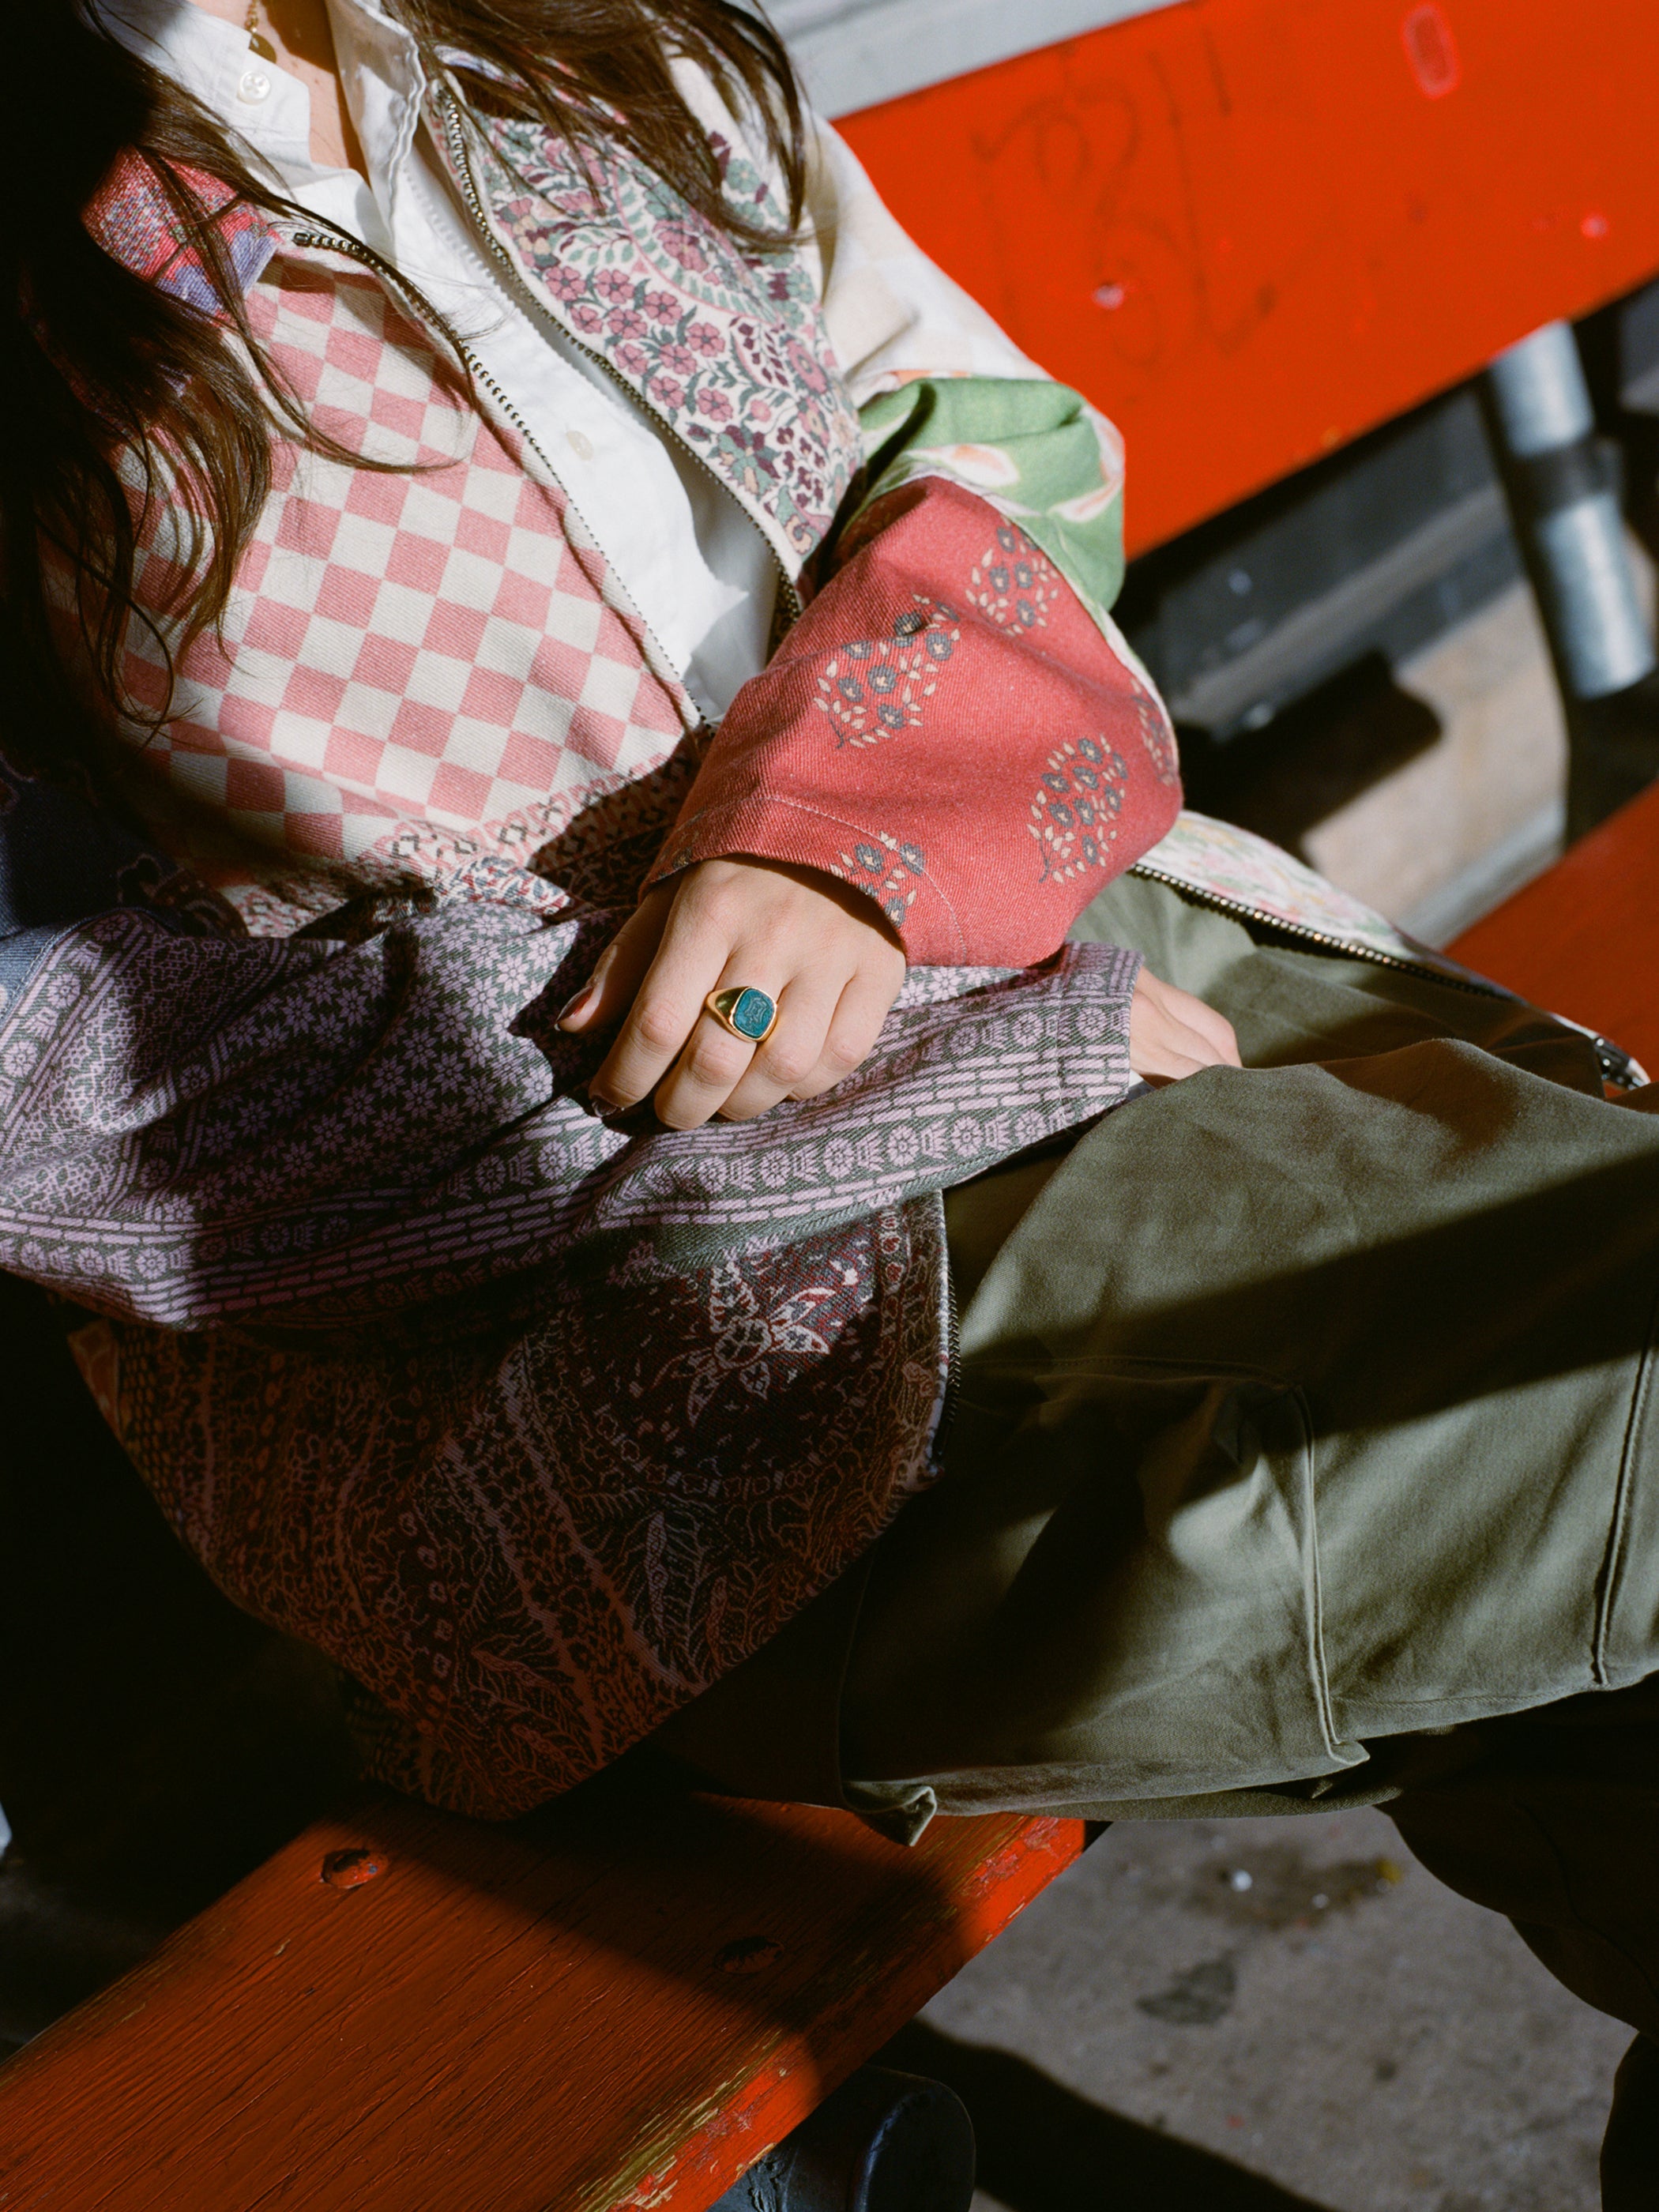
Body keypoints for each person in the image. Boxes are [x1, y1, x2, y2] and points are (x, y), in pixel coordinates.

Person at [3, 0, 1659, 2191]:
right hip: (607, 1359)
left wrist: (854, 827)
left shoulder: (529, 44)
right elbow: (50, 1071)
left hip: (1080, 964)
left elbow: (979, 430)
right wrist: (851, 1033)